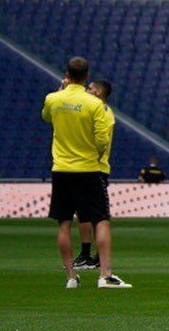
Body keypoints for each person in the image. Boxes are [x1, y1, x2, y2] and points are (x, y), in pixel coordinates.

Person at [42, 57, 128, 289]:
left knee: (64, 223)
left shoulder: (53, 99)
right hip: (88, 169)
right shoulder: (94, 105)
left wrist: (62, 88)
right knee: (101, 220)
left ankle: (71, 277)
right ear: (87, 76)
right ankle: (105, 275)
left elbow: (46, 117)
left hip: (61, 169)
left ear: (66, 75)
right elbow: (102, 140)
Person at [75, 77, 116, 272]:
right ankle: (85, 255)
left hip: (96, 169)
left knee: (99, 215)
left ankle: (99, 257)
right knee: (83, 213)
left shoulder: (104, 112)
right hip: (86, 167)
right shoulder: (92, 110)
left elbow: (101, 141)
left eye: (90, 88)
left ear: (98, 92)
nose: (86, 90)